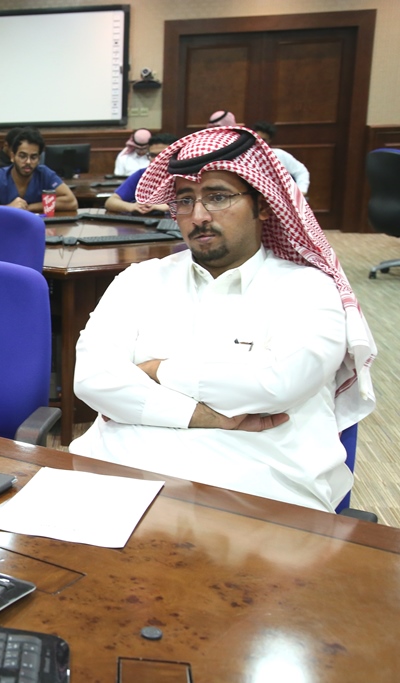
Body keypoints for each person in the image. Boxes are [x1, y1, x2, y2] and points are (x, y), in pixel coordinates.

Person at [71, 126, 376, 513]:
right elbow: (91, 380)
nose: (198, 216)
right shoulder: (139, 279)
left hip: (258, 492)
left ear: (263, 204)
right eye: (185, 200)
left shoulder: (308, 288)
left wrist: (158, 371)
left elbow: (280, 383)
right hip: (117, 480)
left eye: (217, 197)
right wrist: (200, 414)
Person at [0, 128, 77, 213]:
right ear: (13, 156)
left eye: (33, 157)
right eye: (22, 156)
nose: (28, 162)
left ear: (39, 159)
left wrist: (29, 207)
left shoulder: (44, 174)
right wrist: (7, 208)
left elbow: (71, 202)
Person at [104, 134, 176, 214]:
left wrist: (162, 207)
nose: (157, 159)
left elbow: (186, 204)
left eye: (163, 155)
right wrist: (132, 206)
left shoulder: (183, 175)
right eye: (152, 155)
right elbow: (111, 201)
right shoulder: (142, 174)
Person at [251, 121, 311, 194]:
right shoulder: (244, 156)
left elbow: (301, 171)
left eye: (263, 140)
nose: (258, 142)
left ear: (269, 141)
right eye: (256, 138)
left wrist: (302, 190)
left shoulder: (279, 155)